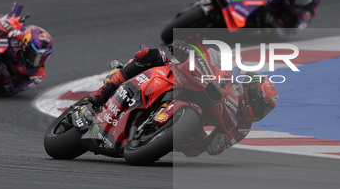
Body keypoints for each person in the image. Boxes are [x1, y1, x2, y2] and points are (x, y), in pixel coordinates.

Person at [81, 41, 279, 157]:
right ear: (249, 91)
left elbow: (214, 148)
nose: (260, 112)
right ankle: (101, 95)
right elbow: (209, 55)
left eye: (265, 110)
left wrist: (219, 133)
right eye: (261, 105)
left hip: (195, 116)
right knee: (153, 55)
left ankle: (153, 133)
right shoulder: (230, 77)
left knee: (195, 147)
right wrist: (185, 46)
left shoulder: (242, 126)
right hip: (181, 79)